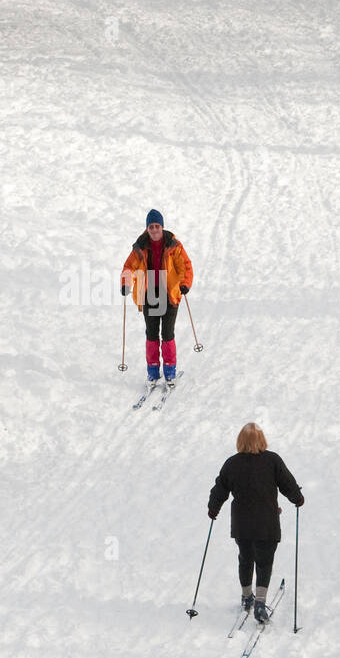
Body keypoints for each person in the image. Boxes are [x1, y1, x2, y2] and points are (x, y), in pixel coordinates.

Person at [207, 423, 303, 622]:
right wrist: (297, 498)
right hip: (267, 523)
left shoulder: (231, 464)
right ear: (261, 440)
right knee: (264, 562)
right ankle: (260, 603)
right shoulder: (272, 460)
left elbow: (219, 489)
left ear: (240, 441)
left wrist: (213, 509)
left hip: (242, 524)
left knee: (245, 558)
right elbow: (287, 483)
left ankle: (246, 597)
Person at [120, 209, 193, 386]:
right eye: (151, 227)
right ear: (147, 228)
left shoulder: (174, 245)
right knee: (151, 334)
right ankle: (152, 372)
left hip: (169, 294)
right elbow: (129, 267)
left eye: (157, 226)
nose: (154, 230)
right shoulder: (140, 246)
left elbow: (185, 266)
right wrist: (126, 283)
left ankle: (169, 372)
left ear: (162, 226)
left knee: (167, 334)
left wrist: (185, 283)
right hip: (149, 294)